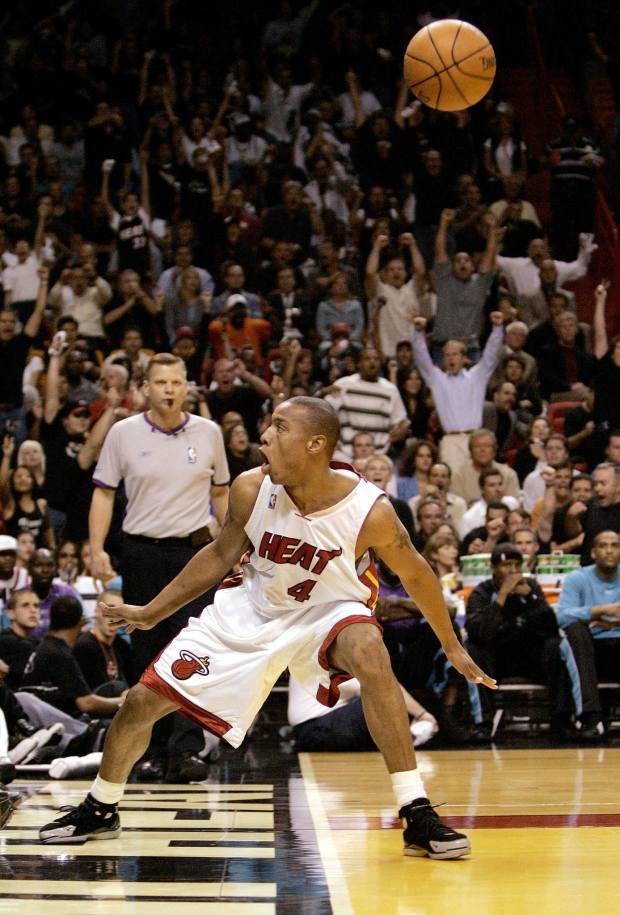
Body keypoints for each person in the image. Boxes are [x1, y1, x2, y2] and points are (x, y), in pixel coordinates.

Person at [39, 396, 495, 858]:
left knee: (370, 649)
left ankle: (415, 811)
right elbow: (219, 555)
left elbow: (417, 574)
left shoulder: (368, 511)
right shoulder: (250, 488)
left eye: (279, 428)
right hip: (252, 607)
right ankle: (101, 807)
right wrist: (152, 612)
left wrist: (451, 645)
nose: (265, 436)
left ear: (316, 444)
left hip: (328, 609)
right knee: (139, 702)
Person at [89, 353, 230, 783]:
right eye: (160, 382)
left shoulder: (209, 433)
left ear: (187, 386)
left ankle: (186, 750)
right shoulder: (123, 433)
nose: (169, 389)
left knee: (191, 651)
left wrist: (231, 545)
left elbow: (222, 494)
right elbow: (104, 495)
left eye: (176, 381)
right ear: (144, 388)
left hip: (194, 554)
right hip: (141, 553)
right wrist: (96, 548)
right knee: (148, 652)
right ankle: (145, 752)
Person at [466, 543, 574, 739]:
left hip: (531, 657)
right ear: (493, 568)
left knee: (555, 646)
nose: (513, 571)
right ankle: (483, 723)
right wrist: (502, 596)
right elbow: (479, 632)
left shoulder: (530, 587)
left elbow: (551, 626)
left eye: (517, 565)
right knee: (474, 650)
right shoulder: (481, 592)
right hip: (498, 661)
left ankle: (562, 720)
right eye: (507, 565)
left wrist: (532, 599)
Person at [411, 313, 505, 467]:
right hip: (450, 441)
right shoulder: (437, 380)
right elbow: (422, 359)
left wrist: (497, 329)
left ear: (464, 358)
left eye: (454, 354)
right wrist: (418, 333)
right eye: (446, 355)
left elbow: (491, 355)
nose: (450, 358)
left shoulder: (477, 377)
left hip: (475, 438)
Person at [556, 531, 620, 741]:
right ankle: (591, 718)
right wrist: (598, 611)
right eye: (603, 545)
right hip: (592, 650)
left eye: (615, 545)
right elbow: (562, 616)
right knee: (575, 631)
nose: (609, 550)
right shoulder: (578, 578)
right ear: (593, 552)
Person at [22, 596, 126, 718]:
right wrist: (123, 702)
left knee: (116, 687)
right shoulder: (60, 653)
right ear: (80, 621)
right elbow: (86, 703)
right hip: (54, 722)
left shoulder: (47, 646)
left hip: (39, 717)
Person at [324, 348, 409, 458]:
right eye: (367, 359)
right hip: (345, 455)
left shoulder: (390, 390)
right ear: (359, 363)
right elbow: (324, 415)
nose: (372, 362)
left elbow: (401, 422)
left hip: (378, 456)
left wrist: (401, 431)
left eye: (376, 359)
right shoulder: (344, 384)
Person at [73, 590, 132, 693]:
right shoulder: (83, 647)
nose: (114, 618)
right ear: (96, 611)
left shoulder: (123, 647)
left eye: (119, 613)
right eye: (109, 610)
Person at [564, 463, 620, 565]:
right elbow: (573, 533)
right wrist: (571, 518)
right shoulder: (591, 504)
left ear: (618, 486)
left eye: (603, 483)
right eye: (595, 484)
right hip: (588, 570)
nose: (597, 488)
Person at [450, 430, 521, 506]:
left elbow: (513, 506)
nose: (482, 450)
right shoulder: (458, 475)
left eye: (487, 446)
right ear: (470, 451)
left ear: (494, 451)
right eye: (477, 446)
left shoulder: (509, 474)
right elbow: (457, 507)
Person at [408, 462, 467, 534]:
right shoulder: (414, 502)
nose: (439, 480)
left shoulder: (459, 503)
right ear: (428, 479)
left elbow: (458, 533)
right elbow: (413, 530)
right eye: (435, 475)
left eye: (444, 476)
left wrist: (443, 505)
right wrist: (422, 500)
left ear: (449, 481)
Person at [459, 469, 519, 538]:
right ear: (482, 489)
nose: (498, 489)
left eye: (500, 484)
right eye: (492, 485)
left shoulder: (512, 503)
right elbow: (465, 544)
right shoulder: (470, 518)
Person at [0, 588, 41, 690]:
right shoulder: (4, 641)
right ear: (11, 614)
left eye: (36, 606)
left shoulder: (39, 642)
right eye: (25, 605)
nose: (33, 610)